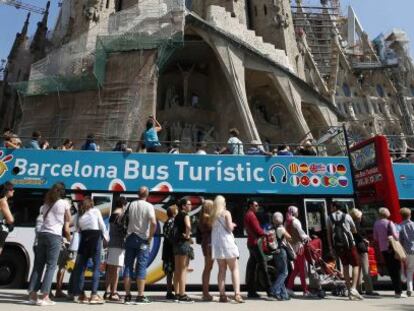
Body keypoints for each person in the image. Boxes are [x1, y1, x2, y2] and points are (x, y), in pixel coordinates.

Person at [28, 183, 71, 306]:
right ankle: (45, 296)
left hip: (42, 235)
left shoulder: (46, 204)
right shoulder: (64, 203)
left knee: (38, 265)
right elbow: (68, 219)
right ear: (62, 192)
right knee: (51, 266)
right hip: (54, 235)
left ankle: (32, 294)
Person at [123, 186, 157, 304]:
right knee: (141, 266)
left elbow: (125, 219)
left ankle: (127, 295)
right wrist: (150, 237)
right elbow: (153, 223)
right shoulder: (149, 206)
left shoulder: (130, 205)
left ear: (138, 194)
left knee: (128, 265)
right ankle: (140, 295)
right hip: (143, 239)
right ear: (147, 195)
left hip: (130, 237)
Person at [72, 197, 108, 304]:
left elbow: (76, 228)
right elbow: (102, 226)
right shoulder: (95, 211)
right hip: (95, 238)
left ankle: (81, 295)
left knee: (82, 268)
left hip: (84, 239)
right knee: (96, 267)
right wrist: (106, 238)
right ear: (91, 204)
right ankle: (93, 295)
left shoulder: (79, 214)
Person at [210, 196, 243, 303]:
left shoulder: (212, 215)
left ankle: (222, 295)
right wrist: (232, 225)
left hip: (217, 245)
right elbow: (229, 228)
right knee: (234, 268)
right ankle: (237, 294)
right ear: (222, 203)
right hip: (227, 243)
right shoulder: (226, 213)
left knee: (221, 270)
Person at [327, 203, 362, 300]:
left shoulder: (329, 218)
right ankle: (354, 289)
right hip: (350, 244)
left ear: (335, 207)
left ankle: (349, 289)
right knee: (356, 265)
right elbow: (354, 230)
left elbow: (329, 233)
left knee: (345, 266)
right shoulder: (347, 216)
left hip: (338, 246)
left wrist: (331, 247)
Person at [244, 200, 272, 298]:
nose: (258, 207)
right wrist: (266, 233)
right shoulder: (251, 215)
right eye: (256, 205)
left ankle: (251, 291)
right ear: (251, 206)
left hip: (251, 243)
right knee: (263, 266)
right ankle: (270, 291)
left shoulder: (247, 214)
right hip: (256, 244)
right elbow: (258, 230)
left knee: (251, 268)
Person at [373, 207, 403, 298]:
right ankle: (398, 292)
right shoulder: (390, 223)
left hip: (384, 249)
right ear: (387, 214)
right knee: (397, 269)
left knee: (390, 269)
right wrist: (398, 231)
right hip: (392, 248)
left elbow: (375, 238)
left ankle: (396, 289)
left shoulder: (376, 224)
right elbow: (396, 236)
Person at [349, 208, 378, 296]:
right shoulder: (358, 224)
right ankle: (369, 289)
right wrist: (365, 240)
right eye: (360, 216)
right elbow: (359, 235)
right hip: (361, 248)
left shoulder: (351, 224)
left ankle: (358, 289)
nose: (361, 217)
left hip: (354, 248)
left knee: (358, 269)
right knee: (366, 269)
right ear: (357, 216)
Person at [285, 205, 311, 297]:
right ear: (294, 212)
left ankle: (289, 287)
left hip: (292, 248)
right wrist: (308, 238)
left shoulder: (286, 222)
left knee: (296, 269)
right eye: (297, 211)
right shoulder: (296, 221)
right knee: (302, 269)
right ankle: (305, 290)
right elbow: (302, 233)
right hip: (299, 247)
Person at [104, 197, 127, 302]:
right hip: (119, 244)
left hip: (111, 243)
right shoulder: (121, 215)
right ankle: (114, 292)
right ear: (123, 205)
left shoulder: (112, 215)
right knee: (117, 270)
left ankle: (107, 291)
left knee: (110, 269)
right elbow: (123, 230)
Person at [173, 198, 194, 303]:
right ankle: (182, 294)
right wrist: (187, 235)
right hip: (183, 244)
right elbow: (188, 226)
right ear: (183, 206)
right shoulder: (186, 215)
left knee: (177, 270)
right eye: (189, 204)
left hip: (176, 244)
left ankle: (176, 293)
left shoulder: (176, 216)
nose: (191, 206)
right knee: (183, 270)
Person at [270, 212, 291, 300]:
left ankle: (284, 294)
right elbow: (289, 237)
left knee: (280, 273)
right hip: (281, 251)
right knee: (284, 273)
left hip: (275, 252)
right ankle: (274, 289)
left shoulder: (272, 228)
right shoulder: (281, 229)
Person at [198, 200, 214, 301]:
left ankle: (205, 292)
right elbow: (213, 227)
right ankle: (205, 293)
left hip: (206, 243)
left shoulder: (202, 217)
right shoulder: (207, 217)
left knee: (208, 268)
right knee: (208, 268)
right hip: (209, 243)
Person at [162, 205, 178, 300]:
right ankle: (175, 292)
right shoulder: (172, 222)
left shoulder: (166, 222)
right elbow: (173, 236)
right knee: (174, 270)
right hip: (171, 250)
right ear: (174, 213)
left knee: (169, 272)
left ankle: (169, 291)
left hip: (166, 249)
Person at [399, 207, 414, 297]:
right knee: (410, 270)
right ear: (410, 215)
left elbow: (398, 240)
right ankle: (409, 288)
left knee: (409, 270)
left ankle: (409, 289)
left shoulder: (398, 226)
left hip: (406, 251)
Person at [0, 181, 15, 255]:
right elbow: (10, 219)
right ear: (7, 191)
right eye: (11, 189)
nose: (13, 191)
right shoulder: (3, 201)